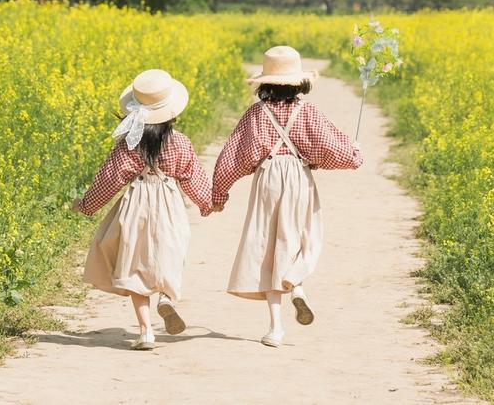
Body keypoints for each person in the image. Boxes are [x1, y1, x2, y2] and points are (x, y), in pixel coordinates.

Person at [211, 45, 363, 347]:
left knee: (269, 245)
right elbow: (329, 146)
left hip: (267, 177)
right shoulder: (308, 111)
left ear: (265, 82)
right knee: (304, 235)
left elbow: (235, 156)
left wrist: (219, 192)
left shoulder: (255, 114)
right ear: (299, 82)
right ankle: (296, 283)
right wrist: (354, 153)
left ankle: (275, 328)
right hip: (298, 177)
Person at [73, 67, 213, 351]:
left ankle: (146, 331)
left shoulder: (129, 144)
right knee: (171, 252)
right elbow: (192, 177)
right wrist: (207, 203)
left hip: (136, 202)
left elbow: (110, 179)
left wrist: (86, 204)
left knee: (135, 265)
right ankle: (166, 298)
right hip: (169, 202)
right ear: (171, 113)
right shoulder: (180, 142)